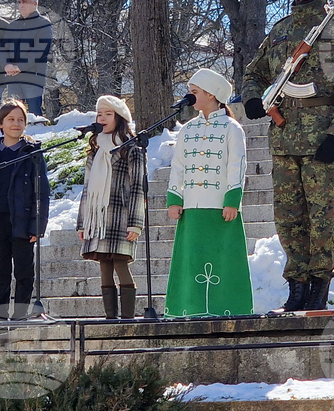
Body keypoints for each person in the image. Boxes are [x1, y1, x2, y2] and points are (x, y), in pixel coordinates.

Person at [242, 0, 334, 312]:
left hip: (321, 137)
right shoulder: (281, 29)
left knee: (319, 215)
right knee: (288, 216)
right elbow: (254, 72)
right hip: (284, 137)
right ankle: (295, 286)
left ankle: (319, 286)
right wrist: (252, 98)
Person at [163, 69, 253, 318]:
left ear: (211, 94)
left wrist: (232, 201)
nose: (190, 97)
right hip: (191, 209)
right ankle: (188, 308)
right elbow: (178, 166)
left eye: (194, 92)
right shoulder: (187, 129)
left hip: (220, 208)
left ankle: (228, 308)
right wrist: (174, 198)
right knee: (191, 260)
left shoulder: (232, 128)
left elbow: (237, 166)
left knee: (222, 259)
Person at [0, 100, 50, 320]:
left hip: (23, 221)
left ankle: (21, 313)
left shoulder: (32, 153)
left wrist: (38, 225)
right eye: (11, 119)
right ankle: (0, 311)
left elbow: (42, 193)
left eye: (20, 120)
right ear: (1, 125)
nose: (16, 124)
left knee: (24, 270)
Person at [76, 96, 146, 320]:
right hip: (97, 218)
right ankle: (110, 317)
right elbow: (87, 189)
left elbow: (137, 188)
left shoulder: (131, 149)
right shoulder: (95, 152)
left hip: (121, 216)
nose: (102, 118)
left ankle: (127, 317)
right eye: (99, 114)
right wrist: (82, 222)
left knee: (119, 261)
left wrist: (136, 222)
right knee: (104, 264)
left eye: (108, 114)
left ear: (120, 117)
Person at [1, 0, 52, 117]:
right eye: (19, 2)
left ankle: (39, 136)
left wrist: (20, 67)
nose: (21, 5)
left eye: (24, 1)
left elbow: (40, 49)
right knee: (13, 113)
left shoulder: (43, 23)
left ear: (35, 4)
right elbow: (3, 48)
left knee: (35, 115)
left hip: (33, 78)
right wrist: (6, 65)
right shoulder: (13, 25)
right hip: (13, 78)